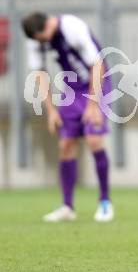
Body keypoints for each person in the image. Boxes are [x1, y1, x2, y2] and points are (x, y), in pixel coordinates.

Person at [22, 12, 114, 223]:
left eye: (41, 38)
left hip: (97, 84)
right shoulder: (35, 40)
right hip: (72, 90)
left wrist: (93, 104)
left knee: (94, 140)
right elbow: (40, 73)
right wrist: (51, 111)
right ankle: (67, 206)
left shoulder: (72, 27)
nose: (42, 43)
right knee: (65, 145)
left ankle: (105, 202)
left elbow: (98, 64)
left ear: (45, 27)